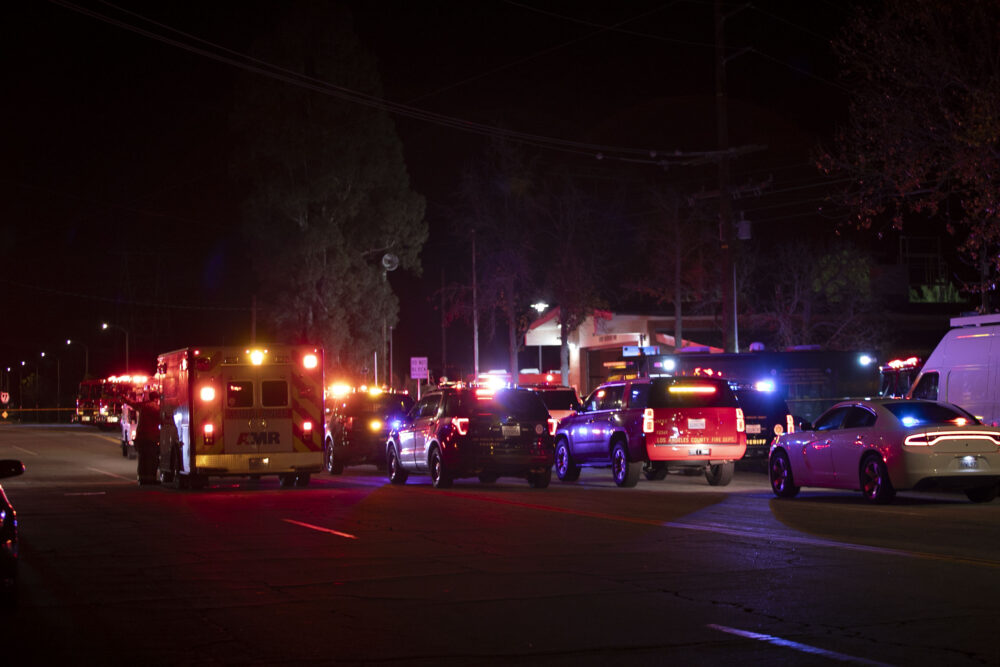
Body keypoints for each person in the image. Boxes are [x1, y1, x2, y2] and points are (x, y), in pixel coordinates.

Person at [132, 390, 161, 485]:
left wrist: (124, 398)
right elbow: (162, 420)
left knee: (142, 459)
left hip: (140, 437)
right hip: (151, 438)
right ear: (157, 399)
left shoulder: (143, 405)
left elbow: (132, 404)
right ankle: (151, 479)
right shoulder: (157, 408)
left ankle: (141, 478)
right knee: (152, 459)